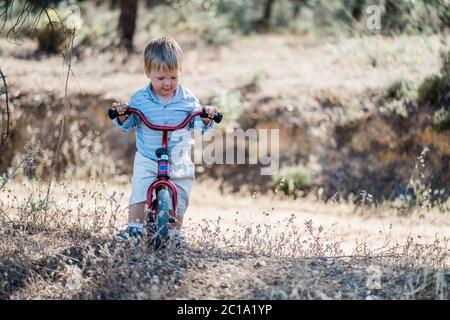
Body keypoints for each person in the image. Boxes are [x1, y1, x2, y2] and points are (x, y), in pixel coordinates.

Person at [111, 37, 218, 245]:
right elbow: (128, 123)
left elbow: (199, 125)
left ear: (180, 72)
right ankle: (134, 228)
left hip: (178, 158)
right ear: (147, 73)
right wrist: (122, 114)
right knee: (141, 187)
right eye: (160, 78)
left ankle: (175, 231)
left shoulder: (188, 100)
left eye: (173, 77)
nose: (167, 83)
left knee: (183, 187)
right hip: (149, 156)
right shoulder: (140, 99)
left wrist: (206, 116)